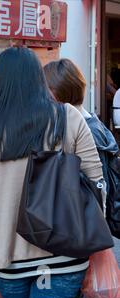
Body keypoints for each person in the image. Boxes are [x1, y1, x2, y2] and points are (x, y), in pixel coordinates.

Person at [0, 47, 103, 298]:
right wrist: (94, 239)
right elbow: (97, 182)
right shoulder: (68, 117)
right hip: (65, 253)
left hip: (6, 257)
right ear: (38, 78)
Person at [44, 58, 118, 210]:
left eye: (44, 90)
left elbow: (96, 190)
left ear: (56, 92)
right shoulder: (90, 122)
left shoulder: (87, 130)